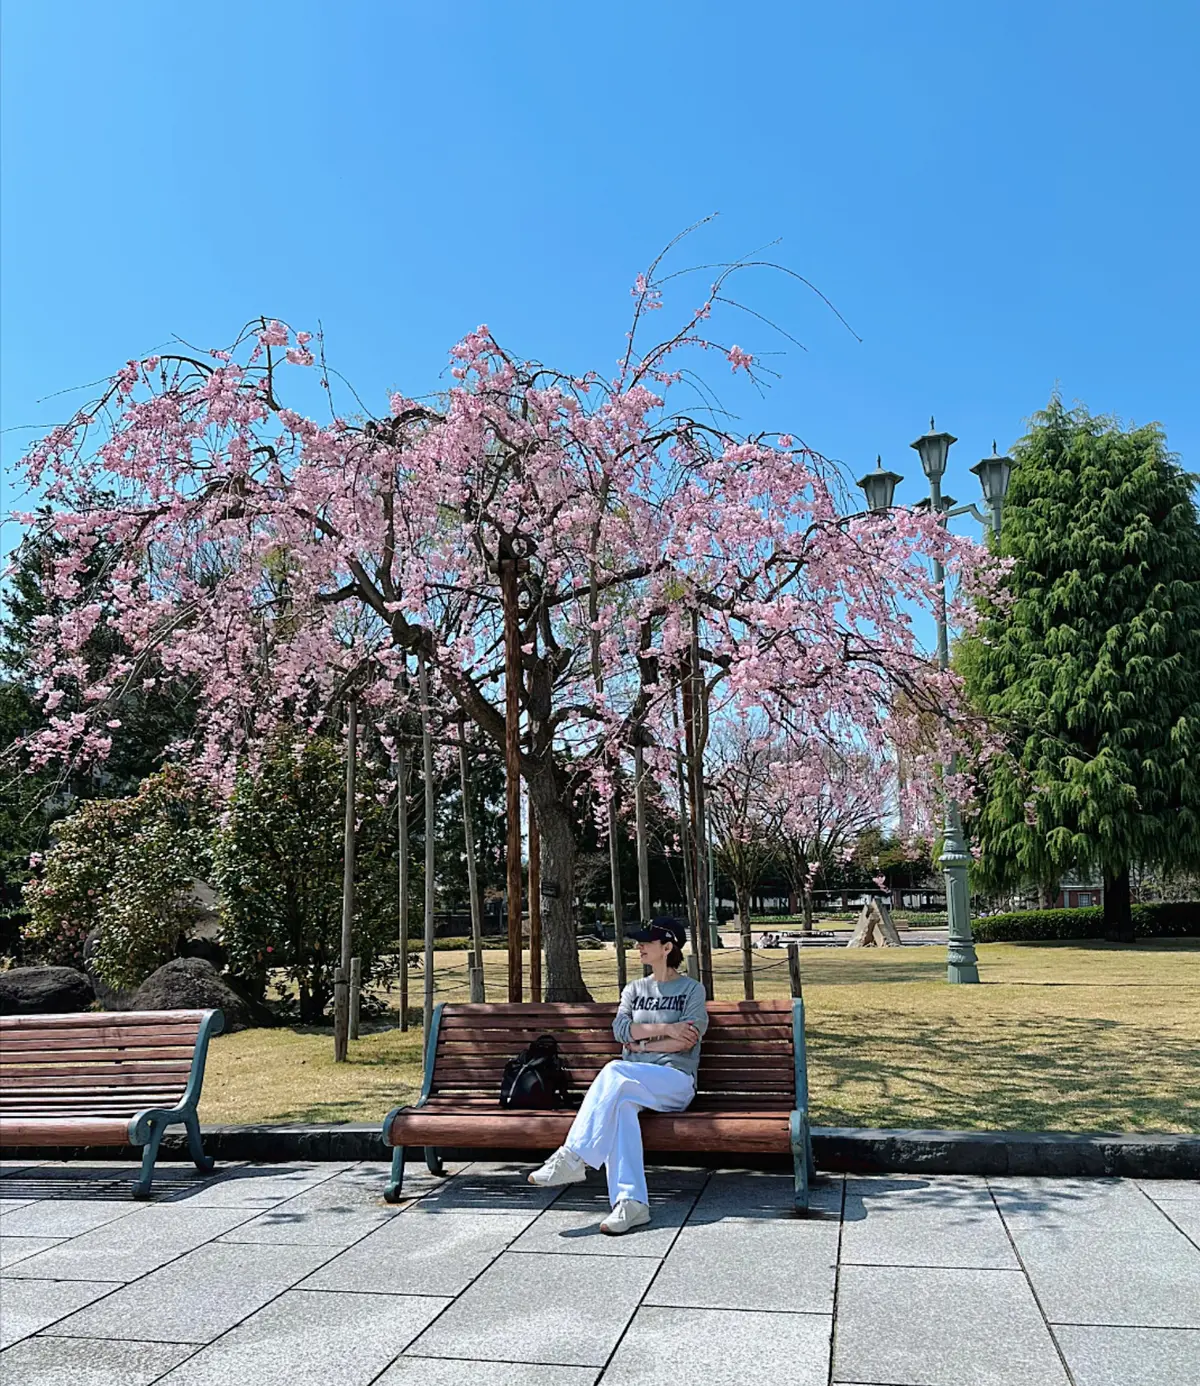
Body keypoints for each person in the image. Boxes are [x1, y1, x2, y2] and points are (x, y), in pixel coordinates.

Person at [527, 919, 708, 1235]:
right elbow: (621, 1031)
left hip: (675, 1080)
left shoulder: (692, 989)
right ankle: (631, 1204)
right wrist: (665, 1029)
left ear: (668, 947)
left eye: (646, 942)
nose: (639, 946)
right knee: (621, 1105)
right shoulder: (634, 989)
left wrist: (641, 1042)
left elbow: (687, 1040)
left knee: (614, 1070)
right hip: (632, 1082)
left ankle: (573, 1157)